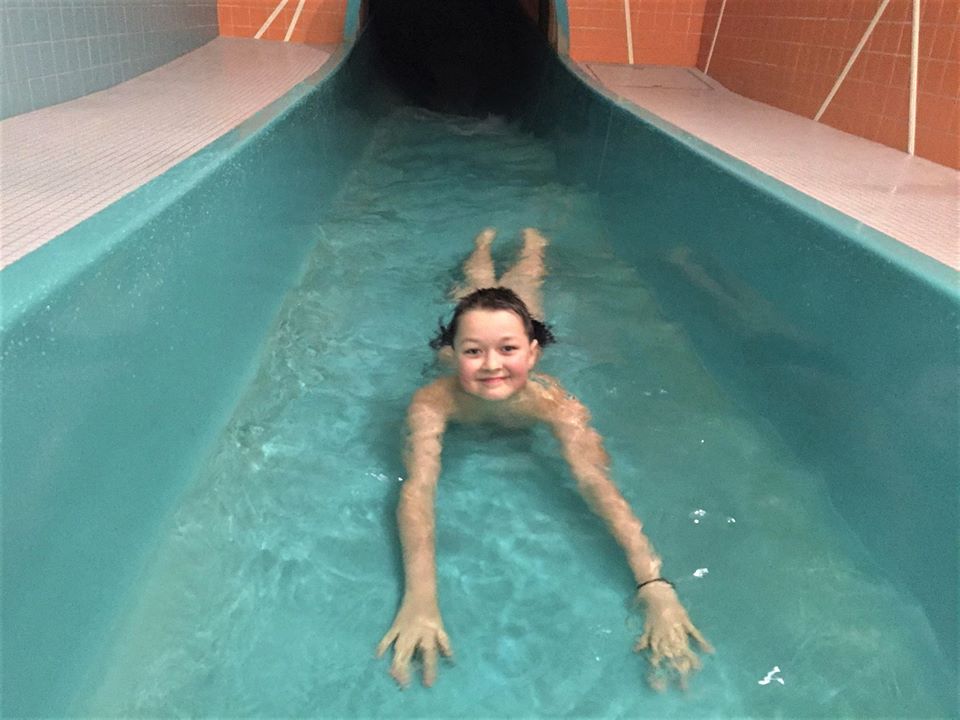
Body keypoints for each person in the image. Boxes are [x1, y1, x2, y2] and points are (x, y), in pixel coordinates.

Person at [376, 228, 712, 690]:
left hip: (519, 338)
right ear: (452, 355)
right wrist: (421, 597)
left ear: (534, 354)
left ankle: (533, 246)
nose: (491, 364)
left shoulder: (553, 404)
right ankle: (480, 248)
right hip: (464, 355)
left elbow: (596, 483)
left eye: (508, 349)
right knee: (473, 289)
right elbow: (418, 490)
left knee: (524, 290)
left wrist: (652, 583)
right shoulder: (434, 402)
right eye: (472, 352)